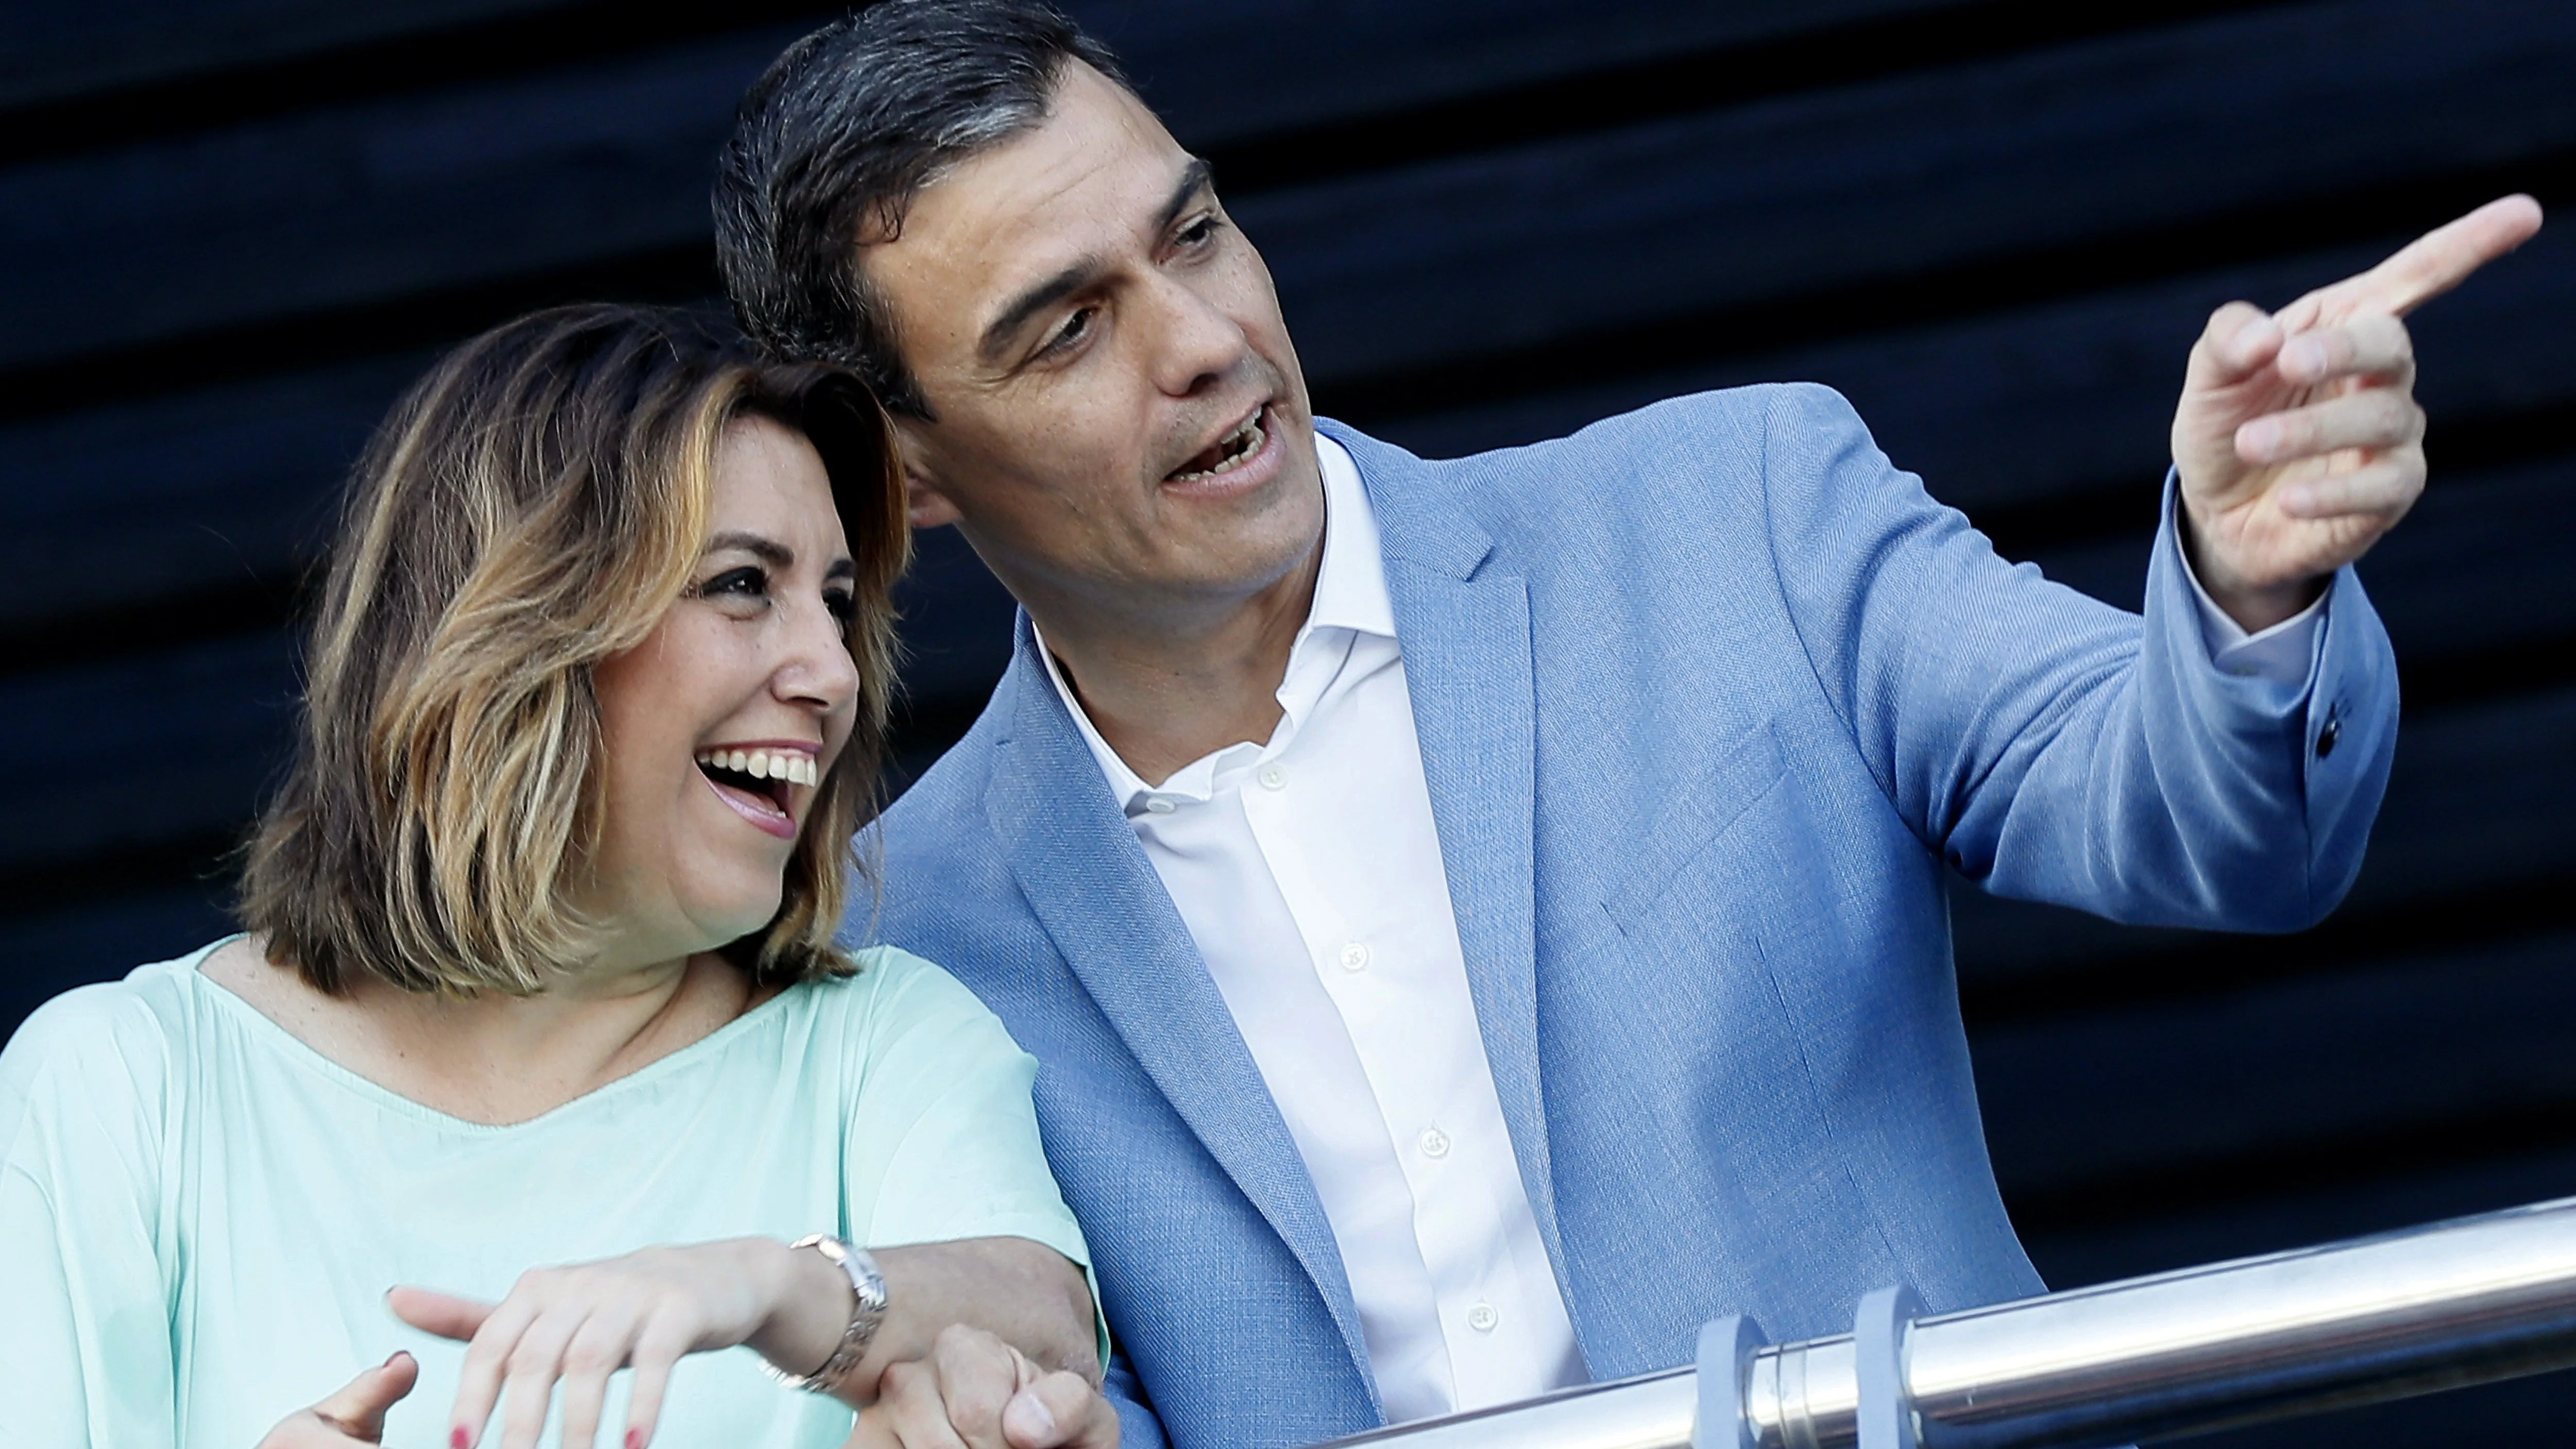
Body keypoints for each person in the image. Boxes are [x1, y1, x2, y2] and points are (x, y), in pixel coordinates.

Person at [711, 5, 2545, 1448]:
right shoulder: (895, 941)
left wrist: (2244, 581)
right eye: (1067, 332)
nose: (1201, 339)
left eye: (1195, 231)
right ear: (906, 476)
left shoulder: (1736, 504)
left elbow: (2206, 819)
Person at [0, 305, 1123, 1449]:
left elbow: (1042, 1326)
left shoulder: (883, 1041)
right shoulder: (121, 1089)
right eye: (742, 583)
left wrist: (769, 1284)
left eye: (838, 602)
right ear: (517, 632)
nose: (833, 672)